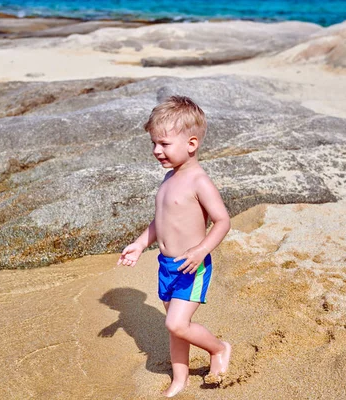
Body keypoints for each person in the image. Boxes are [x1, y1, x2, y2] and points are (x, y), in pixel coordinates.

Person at [117, 96, 231, 397]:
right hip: (167, 266)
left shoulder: (199, 181)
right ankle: (180, 379)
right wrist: (141, 243)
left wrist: (201, 250)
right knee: (175, 326)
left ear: (191, 144)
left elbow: (222, 221)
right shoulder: (168, 180)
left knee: (177, 323)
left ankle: (219, 349)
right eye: (154, 143)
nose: (157, 150)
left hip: (191, 265)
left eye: (164, 144)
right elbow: (160, 221)